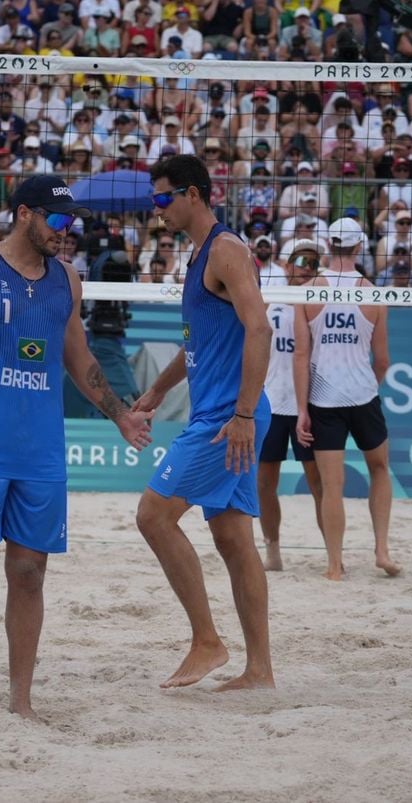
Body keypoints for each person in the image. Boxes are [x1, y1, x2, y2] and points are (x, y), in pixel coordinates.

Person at [0, 175, 152, 722]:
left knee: (30, 572)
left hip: (39, 450)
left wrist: (120, 417)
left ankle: (22, 700)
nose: (68, 232)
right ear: (24, 215)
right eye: (58, 220)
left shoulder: (67, 279)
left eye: (72, 222)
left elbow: (79, 359)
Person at [131, 154, 275, 691]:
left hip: (226, 416)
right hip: (222, 409)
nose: (158, 209)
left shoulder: (226, 250)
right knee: (235, 540)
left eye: (164, 198)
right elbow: (197, 346)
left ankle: (207, 641)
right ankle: (259, 671)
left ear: (194, 194)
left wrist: (241, 414)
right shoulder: (198, 257)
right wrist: (157, 390)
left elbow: (259, 330)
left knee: (153, 516)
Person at [293, 216, 401, 581]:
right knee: (380, 469)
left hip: (324, 401)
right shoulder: (374, 293)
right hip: (363, 396)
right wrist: (368, 384)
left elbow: (300, 357)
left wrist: (301, 410)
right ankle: (382, 550)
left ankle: (335, 565)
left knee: (332, 488)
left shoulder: (308, 291)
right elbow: (383, 359)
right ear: (359, 247)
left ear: (328, 244)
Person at [258, 238, 323, 572]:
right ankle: (273, 551)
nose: (307, 268)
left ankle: (333, 551)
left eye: (314, 263)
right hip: (270, 404)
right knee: (265, 484)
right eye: (301, 260)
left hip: (308, 406)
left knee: (319, 483)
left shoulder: (322, 302)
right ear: (286, 265)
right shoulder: (269, 299)